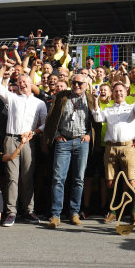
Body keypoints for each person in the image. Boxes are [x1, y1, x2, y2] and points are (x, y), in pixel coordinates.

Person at [0, 61, 47, 227]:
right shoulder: (13, 98)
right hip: (11, 139)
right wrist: (2, 67)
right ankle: (11, 212)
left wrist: (33, 132)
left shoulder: (40, 103)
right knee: (12, 177)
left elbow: (45, 124)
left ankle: (29, 211)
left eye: (25, 81)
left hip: (29, 141)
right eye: (20, 82)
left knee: (27, 177)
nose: (22, 84)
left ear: (31, 83)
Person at [42, 73, 96, 229]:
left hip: (81, 141)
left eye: (80, 83)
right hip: (63, 142)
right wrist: (57, 135)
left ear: (86, 85)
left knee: (79, 179)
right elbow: (51, 118)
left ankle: (74, 212)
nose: (77, 85)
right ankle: (55, 214)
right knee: (58, 178)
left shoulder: (90, 98)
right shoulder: (62, 97)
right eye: (74, 82)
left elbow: (95, 120)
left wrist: (88, 135)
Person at [93, 82, 135, 222]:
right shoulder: (108, 109)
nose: (118, 93)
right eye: (115, 91)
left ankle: (134, 212)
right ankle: (113, 212)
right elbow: (97, 118)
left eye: (121, 91)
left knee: (131, 180)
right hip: (111, 147)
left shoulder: (132, 107)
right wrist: (96, 101)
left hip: (128, 147)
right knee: (110, 181)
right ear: (112, 94)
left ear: (126, 92)